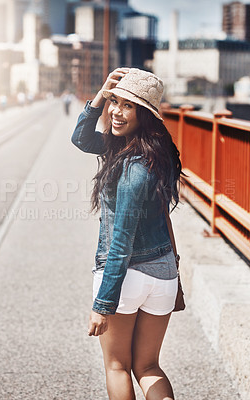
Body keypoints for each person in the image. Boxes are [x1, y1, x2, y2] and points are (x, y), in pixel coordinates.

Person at [71, 67, 183, 400]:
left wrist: (103, 304)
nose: (117, 112)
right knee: (148, 367)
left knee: (117, 366)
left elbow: (121, 243)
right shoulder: (152, 153)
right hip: (162, 276)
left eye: (128, 106)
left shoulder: (133, 166)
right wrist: (102, 93)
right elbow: (81, 138)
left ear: (144, 114)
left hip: (127, 279)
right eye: (114, 103)